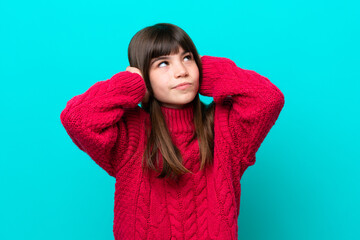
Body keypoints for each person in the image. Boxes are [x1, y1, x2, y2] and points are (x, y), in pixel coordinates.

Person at [60, 23, 285, 240]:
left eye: (187, 58)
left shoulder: (225, 129)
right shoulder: (129, 133)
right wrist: (130, 84)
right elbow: (77, 118)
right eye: (163, 63)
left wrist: (210, 72)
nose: (181, 71)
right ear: (143, 75)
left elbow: (268, 99)